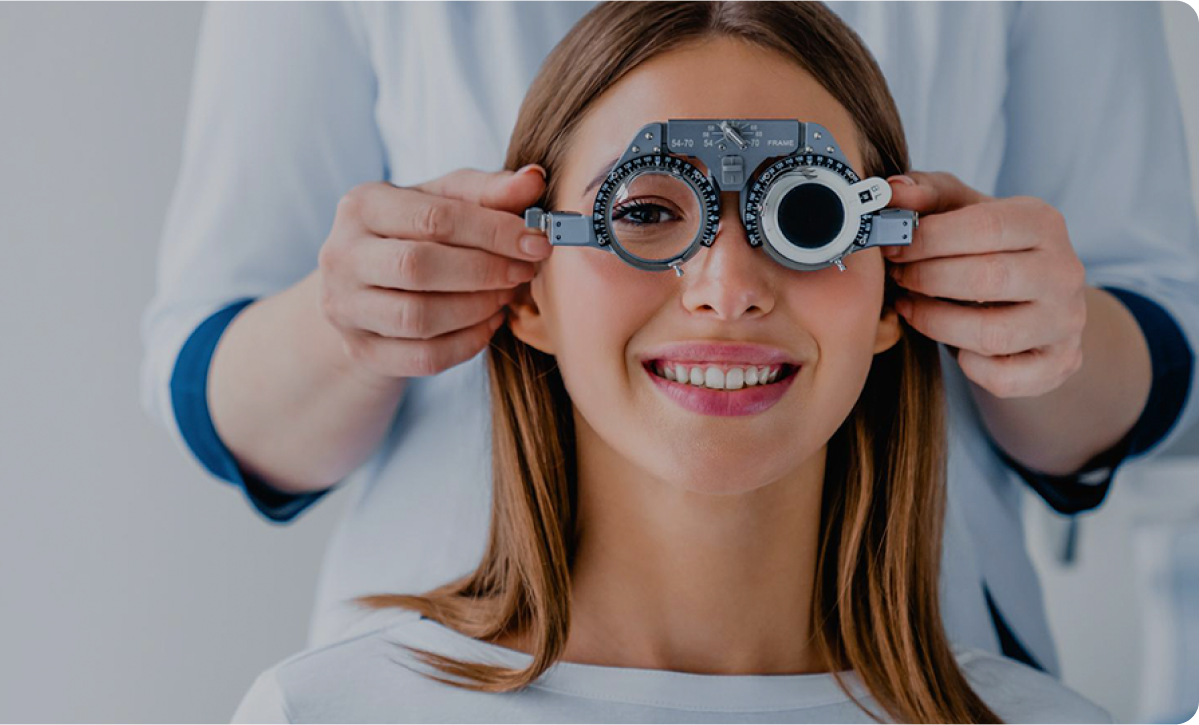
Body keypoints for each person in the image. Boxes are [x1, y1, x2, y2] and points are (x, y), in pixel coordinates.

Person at [139, 0, 1198, 679]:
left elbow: (1158, 332)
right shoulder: (328, 709)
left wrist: (1043, 327)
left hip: (920, 643)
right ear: (530, 288)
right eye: (644, 215)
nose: (725, 286)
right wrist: (355, 316)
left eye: (809, 218)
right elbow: (216, 384)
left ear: (888, 289)